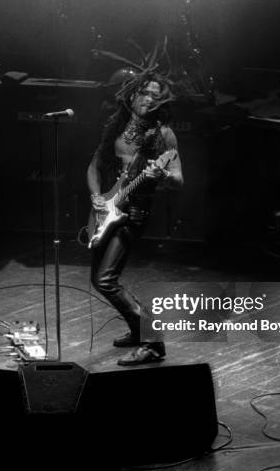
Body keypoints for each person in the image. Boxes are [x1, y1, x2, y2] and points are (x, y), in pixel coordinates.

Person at [87, 71, 183, 365]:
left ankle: (154, 344)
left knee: (105, 279)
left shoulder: (162, 134)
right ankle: (135, 327)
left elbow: (178, 179)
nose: (149, 99)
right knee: (97, 278)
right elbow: (93, 167)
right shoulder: (116, 126)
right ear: (132, 94)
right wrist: (97, 198)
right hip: (108, 209)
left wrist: (162, 173)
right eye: (145, 93)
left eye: (156, 96)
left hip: (135, 213)